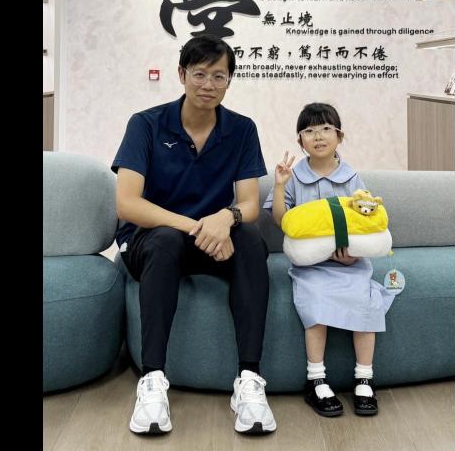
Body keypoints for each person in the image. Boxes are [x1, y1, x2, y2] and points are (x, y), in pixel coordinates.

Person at [112, 34, 276, 435]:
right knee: (167, 240)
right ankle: (152, 381)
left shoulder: (241, 129)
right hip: (151, 240)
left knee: (251, 240)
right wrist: (198, 225)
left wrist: (227, 217)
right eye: (200, 74)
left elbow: (249, 204)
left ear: (230, 80)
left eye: (219, 76)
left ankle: (249, 381)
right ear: (182, 74)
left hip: (210, 241)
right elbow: (127, 204)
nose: (208, 85)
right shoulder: (146, 124)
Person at [263, 102, 394, 417]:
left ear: (339, 136)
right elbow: (281, 220)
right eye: (309, 131)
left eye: (325, 129)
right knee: (316, 307)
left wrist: (352, 255)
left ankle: (364, 378)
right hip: (312, 268)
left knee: (365, 305)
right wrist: (279, 185)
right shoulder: (295, 177)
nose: (318, 136)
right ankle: (316, 380)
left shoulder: (352, 177)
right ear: (300, 140)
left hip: (351, 265)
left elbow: (366, 220)